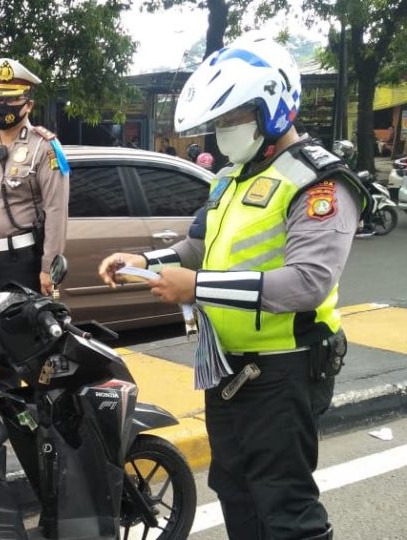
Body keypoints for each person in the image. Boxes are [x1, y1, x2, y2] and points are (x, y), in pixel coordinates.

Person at [98, 36, 368, 540]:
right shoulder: (233, 177)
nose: (224, 131)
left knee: (284, 504)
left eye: (233, 117)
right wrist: (145, 261)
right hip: (228, 365)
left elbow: (307, 283)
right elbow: (198, 245)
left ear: (272, 108)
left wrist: (195, 288)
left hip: (285, 369)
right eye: (219, 121)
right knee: (235, 487)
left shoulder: (319, 183)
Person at [0, 57, 70, 403]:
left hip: (22, 259)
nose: (1, 106)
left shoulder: (45, 147)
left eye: (10, 100)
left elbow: (56, 210)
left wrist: (48, 266)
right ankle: (5, 397)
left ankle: (41, 401)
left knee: (27, 336)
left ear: (28, 104)